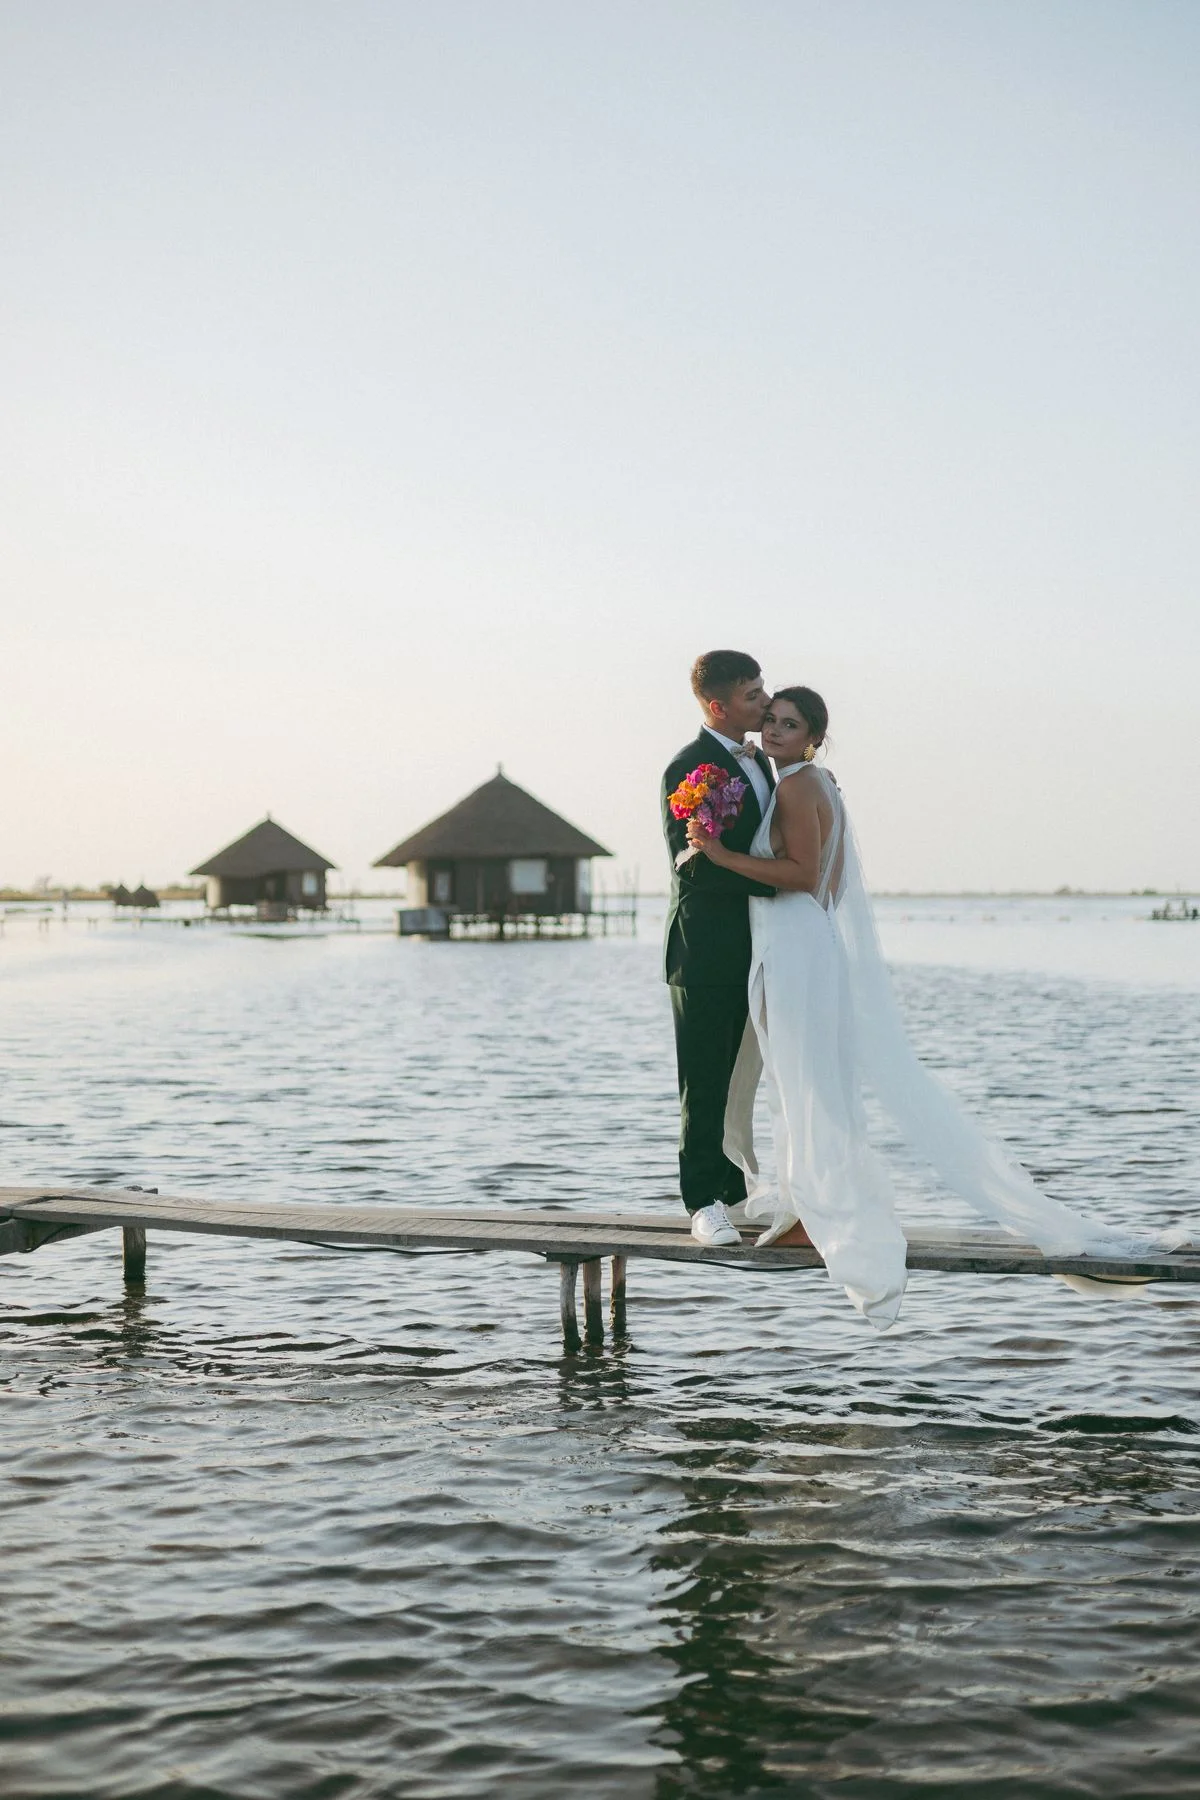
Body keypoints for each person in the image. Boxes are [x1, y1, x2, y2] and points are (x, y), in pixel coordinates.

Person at [686, 685, 1160, 1328]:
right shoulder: (819, 782)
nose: (772, 731)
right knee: (810, 1084)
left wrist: (720, 855)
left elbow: (802, 874)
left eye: (788, 724)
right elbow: (828, 878)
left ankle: (824, 1211)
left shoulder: (798, 786)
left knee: (805, 1086)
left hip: (795, 943)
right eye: (769, 719)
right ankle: (807, 1206)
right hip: (805, 941)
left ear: (812, 737)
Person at [661, 650, 776, 1247]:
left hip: (764, 946)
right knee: (704, 1080)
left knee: (747, 1077)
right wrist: (780, 877)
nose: (765, 701)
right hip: (704, 951)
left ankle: (738, 1190)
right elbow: (694, 871)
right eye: (753, 694)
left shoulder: (763, 761)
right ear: (719, 705)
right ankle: (701, 1203)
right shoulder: (690, 769)